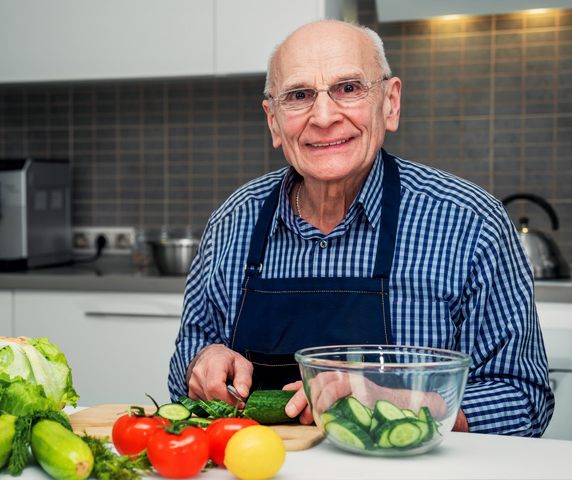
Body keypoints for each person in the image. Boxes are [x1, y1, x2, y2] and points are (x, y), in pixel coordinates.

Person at [168, 20, 554, 436]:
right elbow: (182, 380)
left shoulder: (471, 224)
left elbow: (524, 398)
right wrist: (200, 363)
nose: (323, 116)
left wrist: (411, 403)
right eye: (299, 96)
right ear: (275, 121)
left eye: (349, 88)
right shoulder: (233, 221)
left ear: (390, 103)